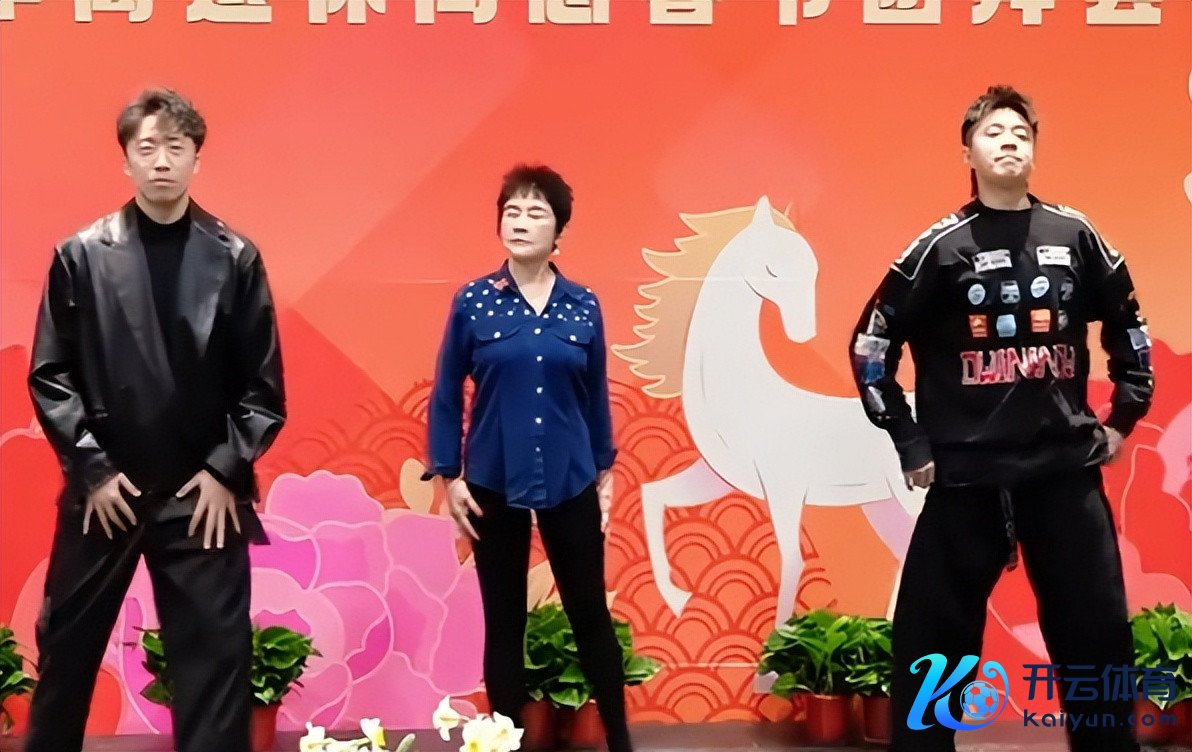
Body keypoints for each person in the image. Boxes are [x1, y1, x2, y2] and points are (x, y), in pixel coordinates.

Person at [849, 85, 1152, 752]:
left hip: (1063, 475)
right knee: (931, 649)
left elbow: (1130, 327)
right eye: (993, 132)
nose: (1009, 140)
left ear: (1034, 151)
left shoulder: (1076, 236)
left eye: (1021, 132)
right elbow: (871, 346)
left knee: (1097, 639)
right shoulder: (939, 248)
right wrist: (908, 440)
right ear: (968, 153)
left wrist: (1125, 416)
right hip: (965, 479)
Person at [24, 88, 285, 752]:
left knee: (215, 672)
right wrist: (92, 469)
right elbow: (51, 375)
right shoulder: (81, 255)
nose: (161, 161)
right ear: (126, 161)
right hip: (105, 493)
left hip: (201, 498)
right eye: (147, 148)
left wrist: (225, 470)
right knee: (65, 661)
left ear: (197, 157)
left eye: (176, 146)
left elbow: (262, 388)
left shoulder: (235, 257)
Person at [426, 164, 632, 752]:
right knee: (504, 620)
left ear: (559, 229)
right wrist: (449, 476)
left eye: (535, 213)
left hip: (571, 478)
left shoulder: (582, 306)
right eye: (511, 212)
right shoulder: (473, 303)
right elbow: (446, 392)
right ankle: (506, 743)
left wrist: (605, 471)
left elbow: (595, 394)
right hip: (491, 480)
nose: (519, 222)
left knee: (589, 615)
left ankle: (621, 740)